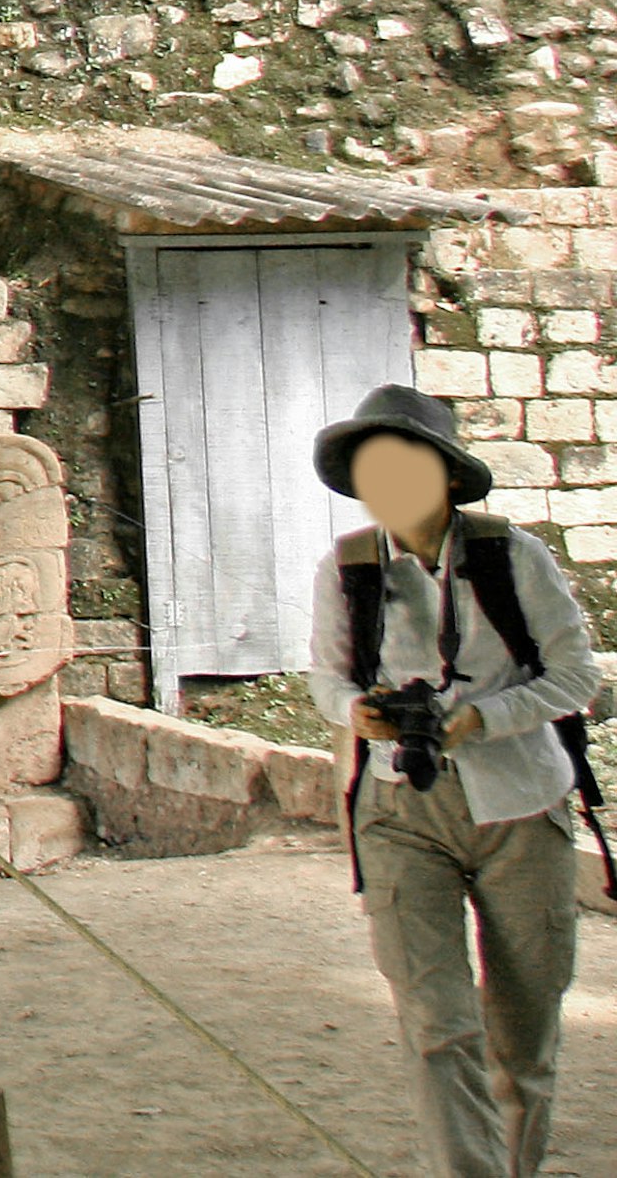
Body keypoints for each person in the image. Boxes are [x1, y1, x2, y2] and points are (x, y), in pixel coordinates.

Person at [308, 382, 602, 1178]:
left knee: (523, 1031)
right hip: (400, 804)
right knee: (436, 1024)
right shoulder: (349, 567)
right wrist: (357, 711)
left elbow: (577, 676)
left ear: (444, 472)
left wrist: (483, 718)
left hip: (519, 802)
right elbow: (326, 678)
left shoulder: (511, 554)